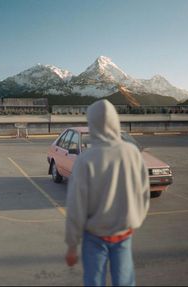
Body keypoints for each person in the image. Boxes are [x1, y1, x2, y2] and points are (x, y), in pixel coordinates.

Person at [65, 99, 150, 286]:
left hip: (94, 238)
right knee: (125, 282)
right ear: (116, 122)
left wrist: (72, 245)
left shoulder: (85, 160)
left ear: (92, 124)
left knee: (94, 282)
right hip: (124, 234)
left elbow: (76, 206)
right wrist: (135, 219)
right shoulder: (132, 152)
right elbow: (143, 191)